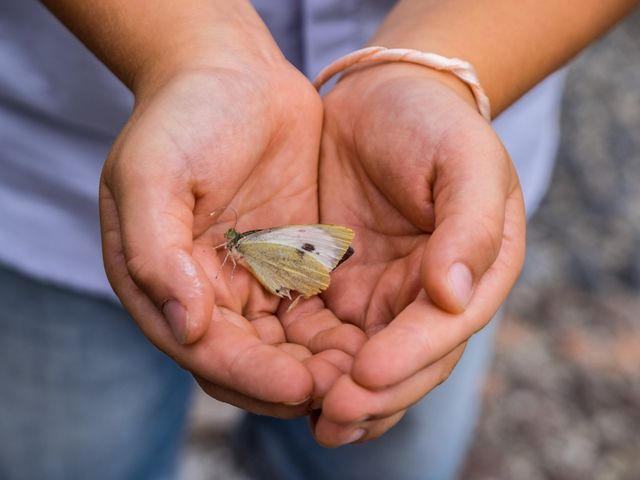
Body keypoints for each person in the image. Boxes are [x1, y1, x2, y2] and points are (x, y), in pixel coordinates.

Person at [0, 1, 636, 479]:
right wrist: (182, 52)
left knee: (385, 439)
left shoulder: (259, 240)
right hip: (61, 171)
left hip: (434, 198)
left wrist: (431, 74)